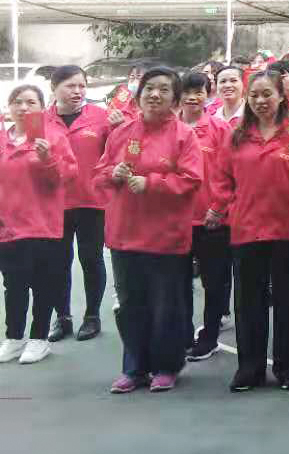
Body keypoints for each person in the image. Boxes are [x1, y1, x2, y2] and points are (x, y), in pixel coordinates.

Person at [210, 69, 289, 392]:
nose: (261, 100)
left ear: (281, 96)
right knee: (248, 303)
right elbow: (222, 178)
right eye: (255, 95)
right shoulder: (237, 135)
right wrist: (219, 208)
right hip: (247, 229)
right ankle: (249, 368)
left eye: (267, 94)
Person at [93, 67, 203, 394]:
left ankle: (167, 366)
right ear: (139, 94)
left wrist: (152, 183)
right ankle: (135, 367)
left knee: (166, 306)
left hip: (166, 237)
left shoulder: (184, 135)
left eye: (164, 89)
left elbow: (191, 179)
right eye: (149, 88)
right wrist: (114, 173)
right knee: (130, 304)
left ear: (175, 99)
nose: (155, 94)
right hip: (125, 233)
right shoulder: (121, 133)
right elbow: (99, 174)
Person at [0, 84, 76, 365]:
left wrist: (47, 159)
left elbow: (67, 176)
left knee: (43, 284)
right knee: (13, 284)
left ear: (42, 108)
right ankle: (14, 337)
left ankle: (39, 338)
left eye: (31, 102)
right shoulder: (2, 139)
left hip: (43, 225)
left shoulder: (53, 137)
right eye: (17, 102)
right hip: (8, 225)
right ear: (9, 107)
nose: (23, 108)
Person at [46, 65, 114, 343]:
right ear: (54, 88)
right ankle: (62, 317)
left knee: (91, 260)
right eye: (70, 86)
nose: (77, 91)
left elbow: (115, 154)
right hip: (53, 205)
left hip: (92, 202)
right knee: (57, 263)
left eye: (82, 86)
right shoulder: (41, 120)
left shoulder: (101, 117)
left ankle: (92, 316)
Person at [177, 72, 232, 363]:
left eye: (199, 91)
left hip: (212, 221)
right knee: (179, 282)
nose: (192, 97)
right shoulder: (169, 128)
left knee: (214, 283)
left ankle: (209, 336)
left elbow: (230, 173)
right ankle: (184, 335)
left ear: (208, 95)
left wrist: (219, 207)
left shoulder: (220, 129)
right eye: (187, 91)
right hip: (176, 221)